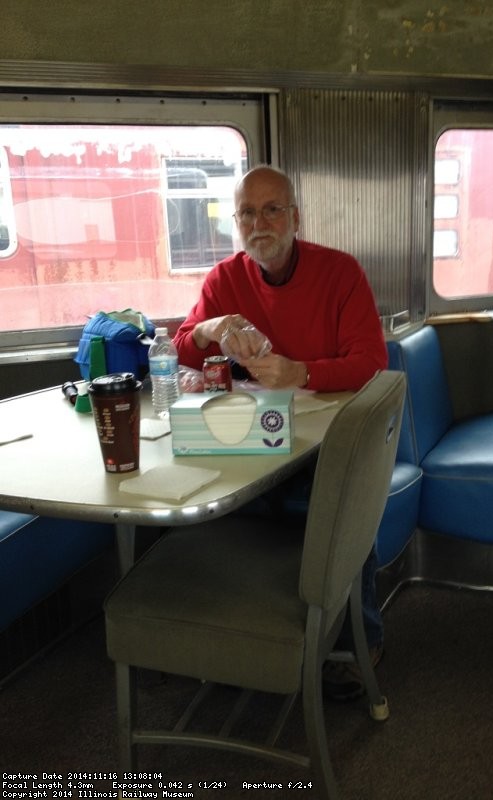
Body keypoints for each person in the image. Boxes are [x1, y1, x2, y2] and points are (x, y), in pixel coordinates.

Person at [174, 165, 388, 700]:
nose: (259, 222)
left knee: (339, 498)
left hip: (329, 437)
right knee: (198, 496)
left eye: (272, 209)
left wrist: (302, 372)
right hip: (258, 436)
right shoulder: (224, 279)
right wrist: (210, 327)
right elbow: (181, 347)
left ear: (296, 217)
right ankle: (221, 636)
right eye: (247, 211)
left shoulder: (340, 273)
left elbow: (372, 361)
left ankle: (358, 644)